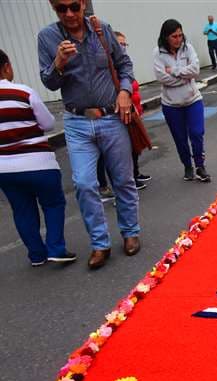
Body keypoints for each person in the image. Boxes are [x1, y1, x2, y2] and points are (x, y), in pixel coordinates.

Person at [38, 0, 141, 269]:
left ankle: (130, 232)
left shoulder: (101, 29)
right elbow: (48, 81)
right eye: (62, 8)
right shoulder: (48, 38)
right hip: (77, 122)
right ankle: (100, 243)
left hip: (111, 117)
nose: (69, 13)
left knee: (123, 180)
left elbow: (124, 65)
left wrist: (124, 91)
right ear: (53, 7)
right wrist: (59, 63)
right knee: (84, 184)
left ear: (83, 3)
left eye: (74, 6)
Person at [0, 49, 76, 267]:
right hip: (38, 163)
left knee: (22, 210)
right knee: (53, 204)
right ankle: (56, 249)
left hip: (4, 169)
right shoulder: (23, 92)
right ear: (6, 67)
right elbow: (48, 123)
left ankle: (36, 255)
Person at [153, 19, 209, 183]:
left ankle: (200, 166)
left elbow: (195, 70)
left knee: (197, 133)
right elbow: (162, 78)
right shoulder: (158, 53)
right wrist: (185, 77)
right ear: (166, 37)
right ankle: (187, 166)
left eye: (180, 35)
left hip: (193, 100)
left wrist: (175, 71)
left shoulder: (188, 48)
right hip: (171, 105)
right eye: (174, 36)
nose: (178, 39)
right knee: (180, 138)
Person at [97, 31, 149, 202]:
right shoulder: (108, 68)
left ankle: (134, 175)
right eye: (120, 44)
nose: (123, 47)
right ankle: (110, 188)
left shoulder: (124, 66)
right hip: (115, 117)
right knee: (115, 156)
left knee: (133, 148)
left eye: (125, 44)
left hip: (132, 112)